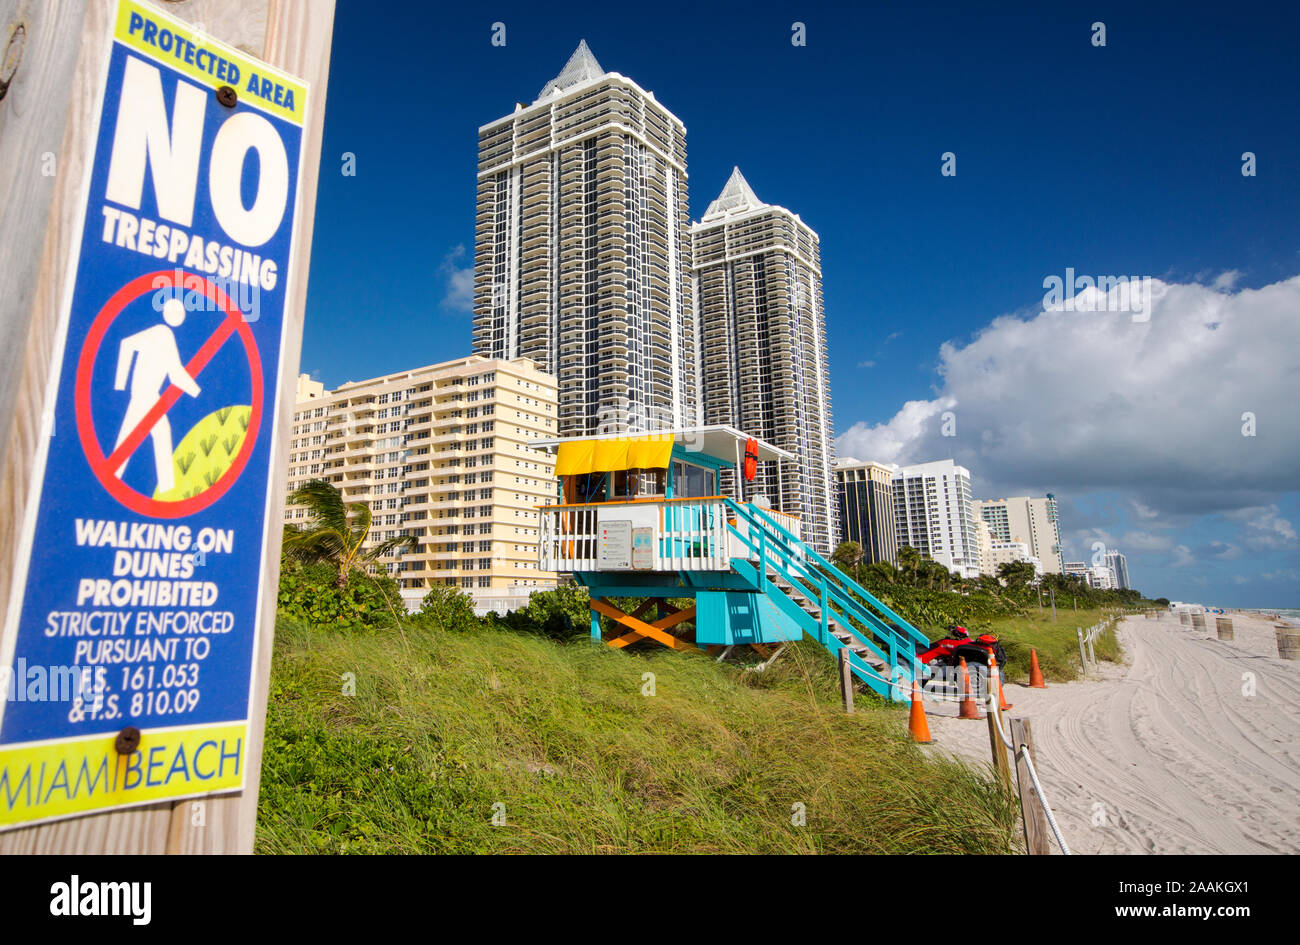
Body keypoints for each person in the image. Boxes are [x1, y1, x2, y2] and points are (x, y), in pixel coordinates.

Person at [112, 298, 201, 493]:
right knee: (144, 434)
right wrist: (120, 383)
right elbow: (127, 344)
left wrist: (196, 392)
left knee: (154, 433)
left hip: (150, 395)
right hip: (144, 394)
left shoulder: (166, 336)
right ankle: (116, 475)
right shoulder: (161, 332)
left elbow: (175, 372)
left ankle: (165, 486)